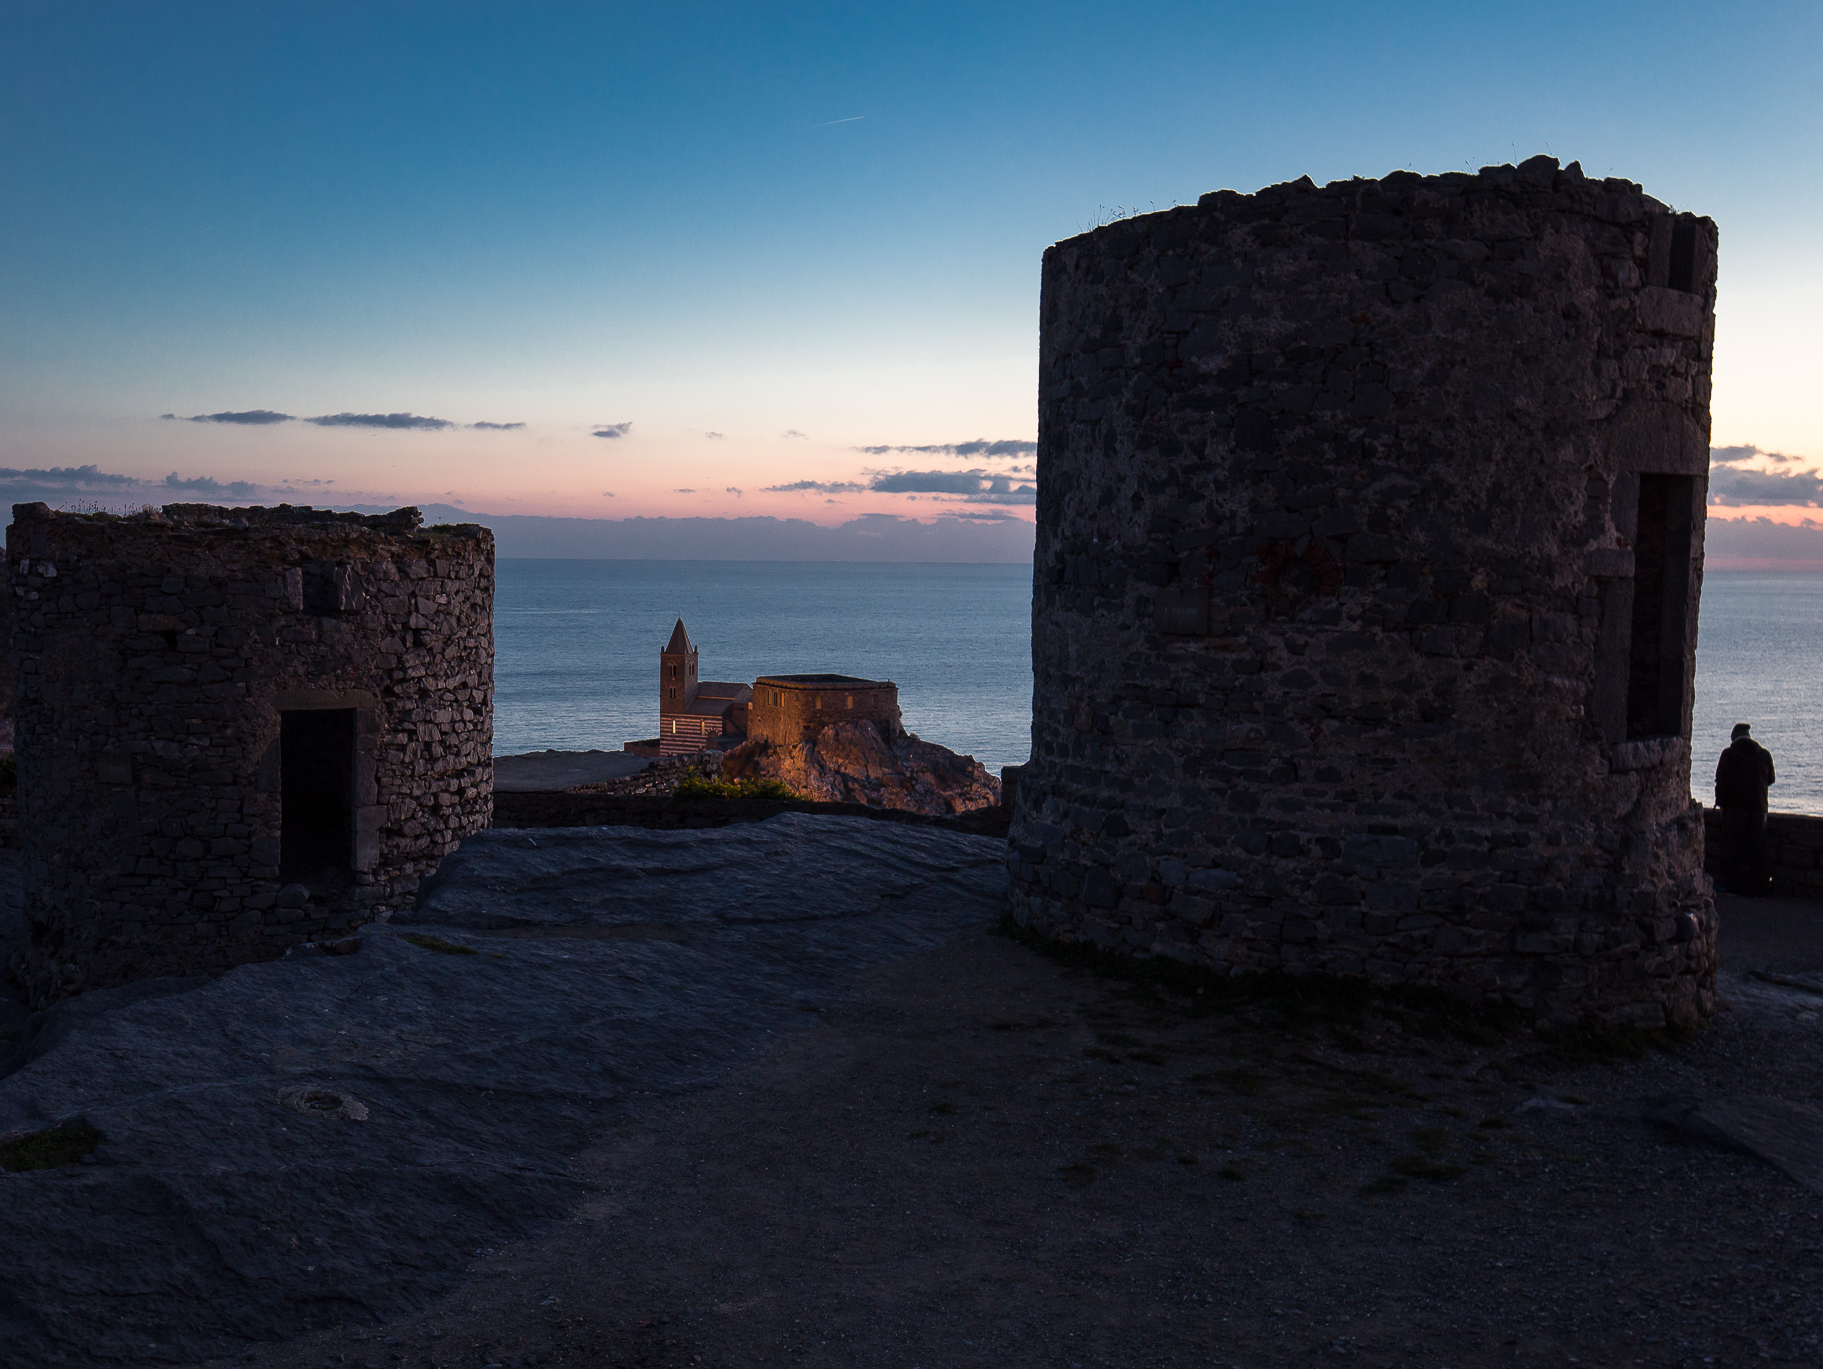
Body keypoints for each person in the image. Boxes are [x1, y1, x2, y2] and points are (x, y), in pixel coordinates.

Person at [1715, 723, 1776, 896]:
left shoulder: (1729, 754)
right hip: (1759, 810)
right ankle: (1760, 889)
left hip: (1734, 810)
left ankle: (1732, 888)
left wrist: (1720, 805)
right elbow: (1770, 779)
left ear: (1734, 738)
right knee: (1758, 850)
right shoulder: (1764, 755)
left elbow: (1721, 782)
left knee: (1732, 849)